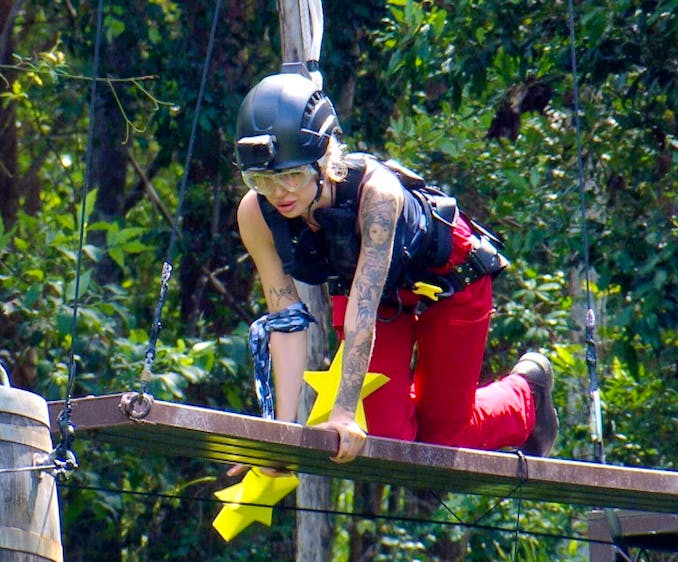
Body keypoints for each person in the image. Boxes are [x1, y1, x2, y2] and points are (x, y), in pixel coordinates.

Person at [232, 68, 559, 467]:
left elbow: (362, 310)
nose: (279, 193)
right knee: (388, 438)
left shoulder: (377, 196)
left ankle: (527, 396)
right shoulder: (257, 214)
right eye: (261, 180)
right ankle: (419, 417)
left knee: (439, 441)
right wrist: (279, 437)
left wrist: (343, 413)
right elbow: (286, 321)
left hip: (451, 281)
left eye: (293, 176)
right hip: (376, 292)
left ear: (325, 160)